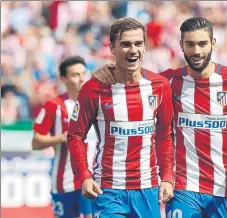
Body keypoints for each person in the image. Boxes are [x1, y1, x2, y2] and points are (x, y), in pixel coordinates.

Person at [92, 17, 227, 218]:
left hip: (221, 189)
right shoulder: (167, 81)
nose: (197, 51)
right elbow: (130, 77)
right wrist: (105, 70)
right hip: (181, 187)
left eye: (202, 43)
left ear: (213, 43)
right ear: (181, 45)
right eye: (190, 44)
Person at [67, 17, 174, 218]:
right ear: (112, 48)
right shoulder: (94, 88)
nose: (133, 50)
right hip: (108, 189)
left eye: (138, 43)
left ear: (145, 47)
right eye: (125, 44)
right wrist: (84, 176)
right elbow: (75, 136)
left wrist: (167, 177)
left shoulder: (160, 86)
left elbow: (165, 136)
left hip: (147, 189)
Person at [32, 56, 94, 218]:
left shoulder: (97, 103)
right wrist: (61, 138)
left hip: (92, 179)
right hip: (64, 182)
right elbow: (36, 142)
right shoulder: (54, 106)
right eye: (75, 75)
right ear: (63, 79)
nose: (81, 78)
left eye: (83, 73)